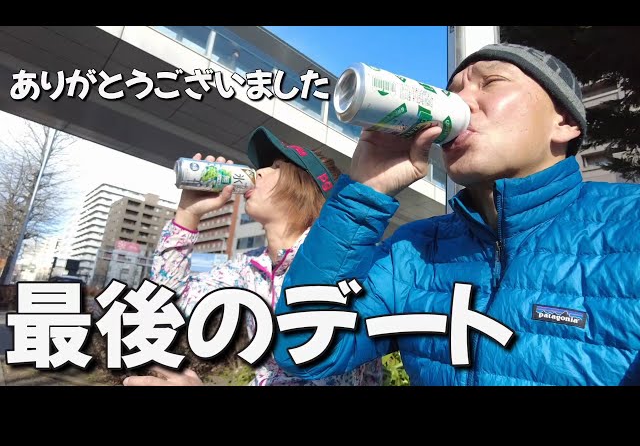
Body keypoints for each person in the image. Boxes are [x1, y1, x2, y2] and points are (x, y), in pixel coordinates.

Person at [273, 43, 640, 386]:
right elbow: (304, 349)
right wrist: (365, 192)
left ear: (564, 123)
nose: (459, 101)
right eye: (452, 91)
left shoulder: (631, 223)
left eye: (490, 82)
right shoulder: (415, 250)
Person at [123, 126, 383, 386]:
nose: (258, 172)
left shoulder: (346, 263)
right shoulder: (248, 268)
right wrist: (188, 214)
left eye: (276, 167)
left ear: (307, 189)